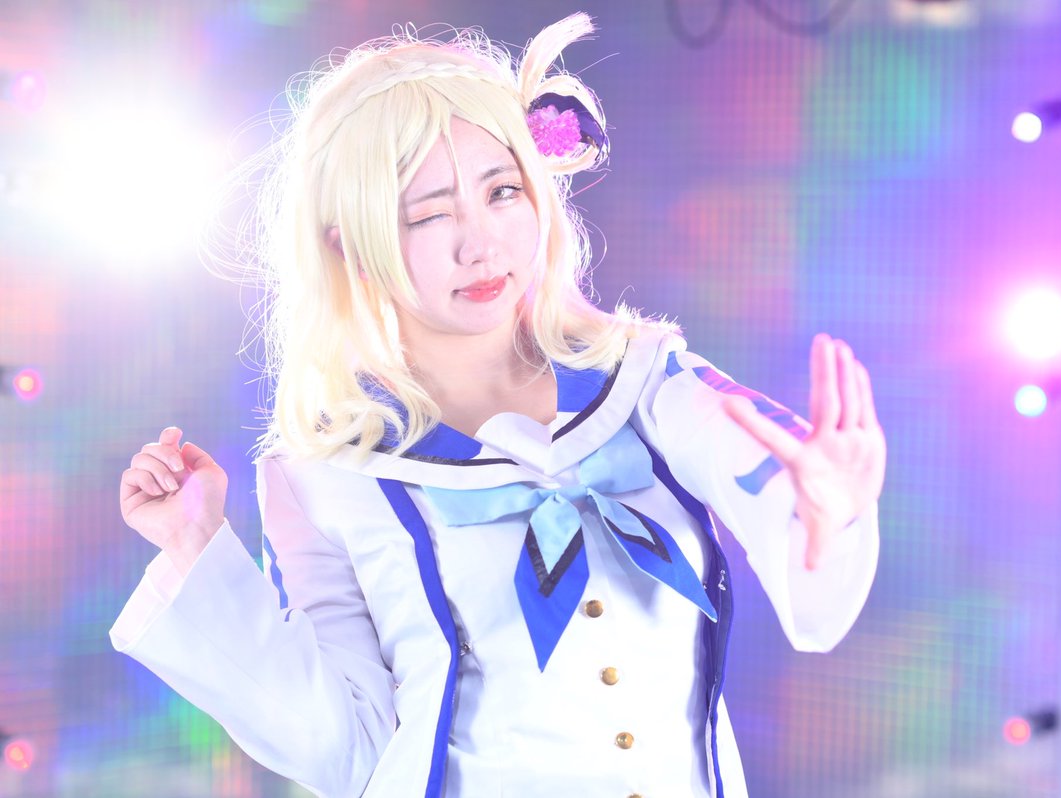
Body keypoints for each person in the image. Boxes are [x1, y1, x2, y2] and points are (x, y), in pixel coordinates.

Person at [110, 13, 885, 798]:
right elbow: (346, 749)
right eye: (428, 213)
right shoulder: (328, 476)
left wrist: (826, 513)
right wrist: (195, 549)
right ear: (350, 243)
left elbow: (775, 487)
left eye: (502, 191)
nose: (480, 244)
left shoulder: (650, 382)